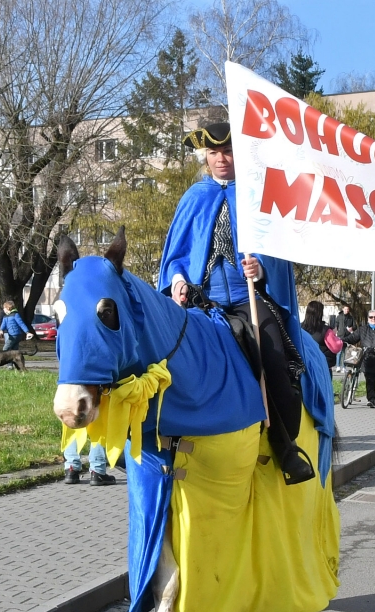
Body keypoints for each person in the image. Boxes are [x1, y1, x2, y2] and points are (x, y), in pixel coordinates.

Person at [156, 121, 318, 485]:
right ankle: (156, 437)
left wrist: (260, 266)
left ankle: (285, 447)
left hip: (248, 299)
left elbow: (278, 252)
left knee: (272, 355)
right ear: (205, 157)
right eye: (213, 153)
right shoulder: (194, 198)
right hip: (203, 301)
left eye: (227, 151)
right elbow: (176, 257)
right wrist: (178, 281)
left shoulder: (258, 197)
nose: (220, 159)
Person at [343, 309, 375, 407]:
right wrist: (341, 341)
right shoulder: (363, 329)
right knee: (370, 381)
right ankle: (371, 400)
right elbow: (353, 337)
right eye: (371, 317)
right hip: (368, 359)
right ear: (368, 319)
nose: (373, 319)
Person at [301, 299, 333, 366]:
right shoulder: (326, 330)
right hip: (321, 365)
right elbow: (335, 347)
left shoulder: (299, 328)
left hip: (304, 365)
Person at [333, 304, 357, 370]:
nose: (346, 310)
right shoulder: (339, 316)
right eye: (345, 309)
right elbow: (336, 325)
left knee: (345, 352)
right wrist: (336, 332)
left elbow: (355, 326)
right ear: (343, 309)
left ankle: (344, 367)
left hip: (348, 336)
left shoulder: (351, 317)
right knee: (339, 351)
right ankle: (338, 366)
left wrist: (351, 328)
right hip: (340, 336)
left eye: (348, 309)